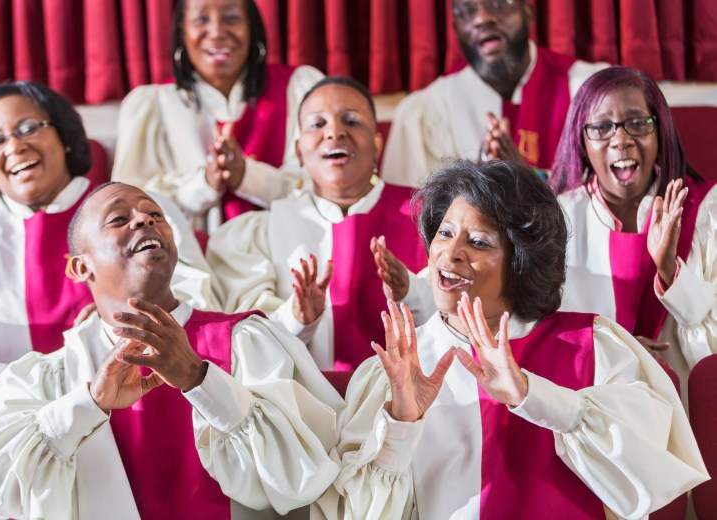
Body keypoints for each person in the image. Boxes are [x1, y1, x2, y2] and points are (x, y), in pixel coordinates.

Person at [314, 160, 708, 520]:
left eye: (479, 242)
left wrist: (533, 397)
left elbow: (651, 474)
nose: (450, 254)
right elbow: (356, 511)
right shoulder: (395, 370)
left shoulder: (592, 344)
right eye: (445, 233)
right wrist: (401, 423)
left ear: (522, 262)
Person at [0, 182, 344, 519]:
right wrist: (86, 405)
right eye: (119, 218)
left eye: (155, 215)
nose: (145, 219)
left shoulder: (247, 340)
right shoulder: (51, 377)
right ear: (81, 267)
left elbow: (311, 475)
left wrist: (202, 381)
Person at [0, 81, 221, 381]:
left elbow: (197, 303)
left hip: (130, 399)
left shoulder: (139, 212)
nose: (14, 147)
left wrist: (124, 316)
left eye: (28, 128)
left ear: (64, 135)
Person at [207, 77, 433, 371]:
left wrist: (410, 291)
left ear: (377, 145)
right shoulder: (263, 231)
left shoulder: (428, 216)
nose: (335, 132)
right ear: (299, 151)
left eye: (351, 121)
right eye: (317, 124)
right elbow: (247, 347)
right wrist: (298, 318)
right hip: (305, 412)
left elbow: (458, 319)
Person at [551, 66, 717, 393]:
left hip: (687, 403)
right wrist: (613, 353)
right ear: (581, 139)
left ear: (661, 132)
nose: (622, 139)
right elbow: (538, 333)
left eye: (638, 123)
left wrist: (671, 273)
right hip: (599, 410)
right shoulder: (558, 219)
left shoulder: (708, 209)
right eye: (601, 127)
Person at [112, 0, 324, 232]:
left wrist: (247, 175)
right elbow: (129, 209)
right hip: (191, 262)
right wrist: (204, 183)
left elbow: (326, 187)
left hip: (292, 252)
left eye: (231, 18)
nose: (216, 32)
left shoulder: (300, 88)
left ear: (252, 28)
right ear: (182, 31)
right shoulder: (154, 105)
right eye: (201, 19)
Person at [381, 0, 606, 185]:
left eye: (497, 3)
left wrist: (527, 179)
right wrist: (479, 185)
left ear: (527, 13)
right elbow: (416, 221)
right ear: (456, 28)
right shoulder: (429, 109)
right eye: (467, 10)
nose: (482, 18)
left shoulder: (590, 89)